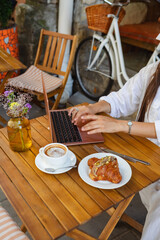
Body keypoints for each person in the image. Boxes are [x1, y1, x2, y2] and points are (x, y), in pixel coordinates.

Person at [68, 60, 160, 240]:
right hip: (146, 156)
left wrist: (121, 125)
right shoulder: (153, 70)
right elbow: (123, 98)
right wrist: (92, 108)